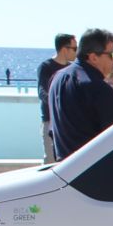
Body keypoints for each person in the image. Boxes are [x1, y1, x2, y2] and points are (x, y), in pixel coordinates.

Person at [48, 28, 113, 160]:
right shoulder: (98, 89)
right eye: (111, 54)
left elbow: (53, 130)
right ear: (93, 57)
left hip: (62, 170)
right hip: (91, 172)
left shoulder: (57, 77)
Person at [37, 33, 76, 163]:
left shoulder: (72, 68)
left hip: (67, 122)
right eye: (74, 49)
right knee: (50, 160)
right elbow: (42, 91)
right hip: (50, 120)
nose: (76, 52)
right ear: (65, 49)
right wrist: (57, 104)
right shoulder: (46, 67)